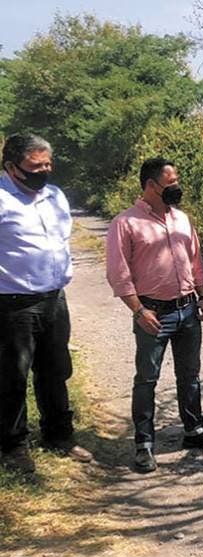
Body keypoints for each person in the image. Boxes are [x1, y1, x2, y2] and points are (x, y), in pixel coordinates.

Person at [105, 158, 203, 472]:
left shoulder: (182, 219)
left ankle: (194, 430)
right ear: (150, 185)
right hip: (153, 313)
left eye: (177, 181)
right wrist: (139, 311)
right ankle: (144, 444)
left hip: (187, 309)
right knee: (147, 379)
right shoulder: (126, 223)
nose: (176, 188)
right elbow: (119, 275)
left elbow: (196, 261)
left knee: (190, 375)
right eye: (170, 183)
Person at [0, 133, 92, 473]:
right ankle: (13, 446)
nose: (44, 171)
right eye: (35, 166)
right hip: (12, 305)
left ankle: (59, 435)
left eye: (48, 164)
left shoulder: (54, 196)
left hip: (54, 298)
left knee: (55, 369)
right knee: (12, 376)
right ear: (11, 167)